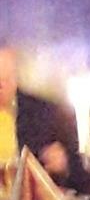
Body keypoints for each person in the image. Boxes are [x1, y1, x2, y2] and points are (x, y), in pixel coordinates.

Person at [0, 45, 72, 179]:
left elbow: (77, 173)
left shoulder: (43, 113)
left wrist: (61, 164)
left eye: (6, 79)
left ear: (16, 77)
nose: (2, 87)